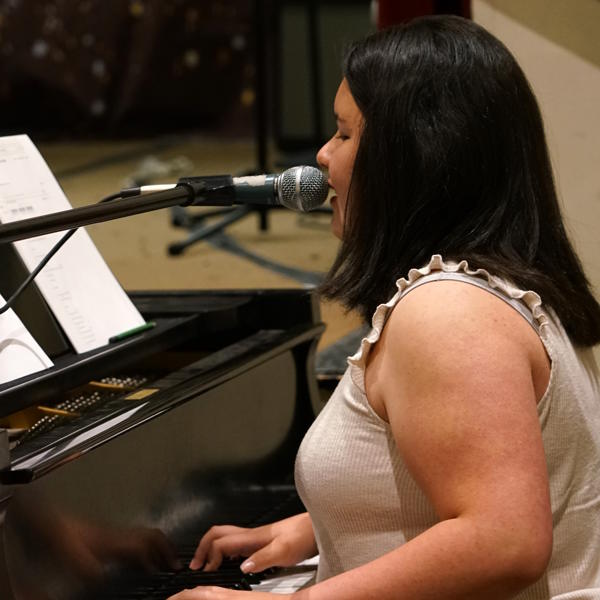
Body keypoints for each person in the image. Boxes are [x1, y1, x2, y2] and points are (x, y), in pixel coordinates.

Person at [168, 15, 600, 600]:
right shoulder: (509, 283)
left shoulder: (448, 314)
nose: (322, 156)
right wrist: (318, 528)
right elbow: (480, 479)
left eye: (345, 135)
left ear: (415, 154)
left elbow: (505, 540)